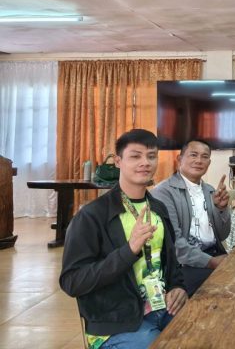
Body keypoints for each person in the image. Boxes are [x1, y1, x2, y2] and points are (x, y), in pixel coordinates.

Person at [59, 129, 187, 349]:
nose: (145, 162)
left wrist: (178, 286)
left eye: (151, 156)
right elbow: (73, 282)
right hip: (116, 323)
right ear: (118, 161)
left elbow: (170, 261)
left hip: (162, 308)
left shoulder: (158, 208)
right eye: (135, 156)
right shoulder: (92, 216)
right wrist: (129, 250)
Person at [152, 139, 231, 296]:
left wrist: (221, 209)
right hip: (184, 265)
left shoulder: (210, 190)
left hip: (214, 253)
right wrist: (212, 262)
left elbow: (222, 235)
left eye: (204, 156)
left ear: (209, 163)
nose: (199, 160)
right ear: (180, 159)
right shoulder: (163, 192)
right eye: (193, 155)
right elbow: (174, 243)